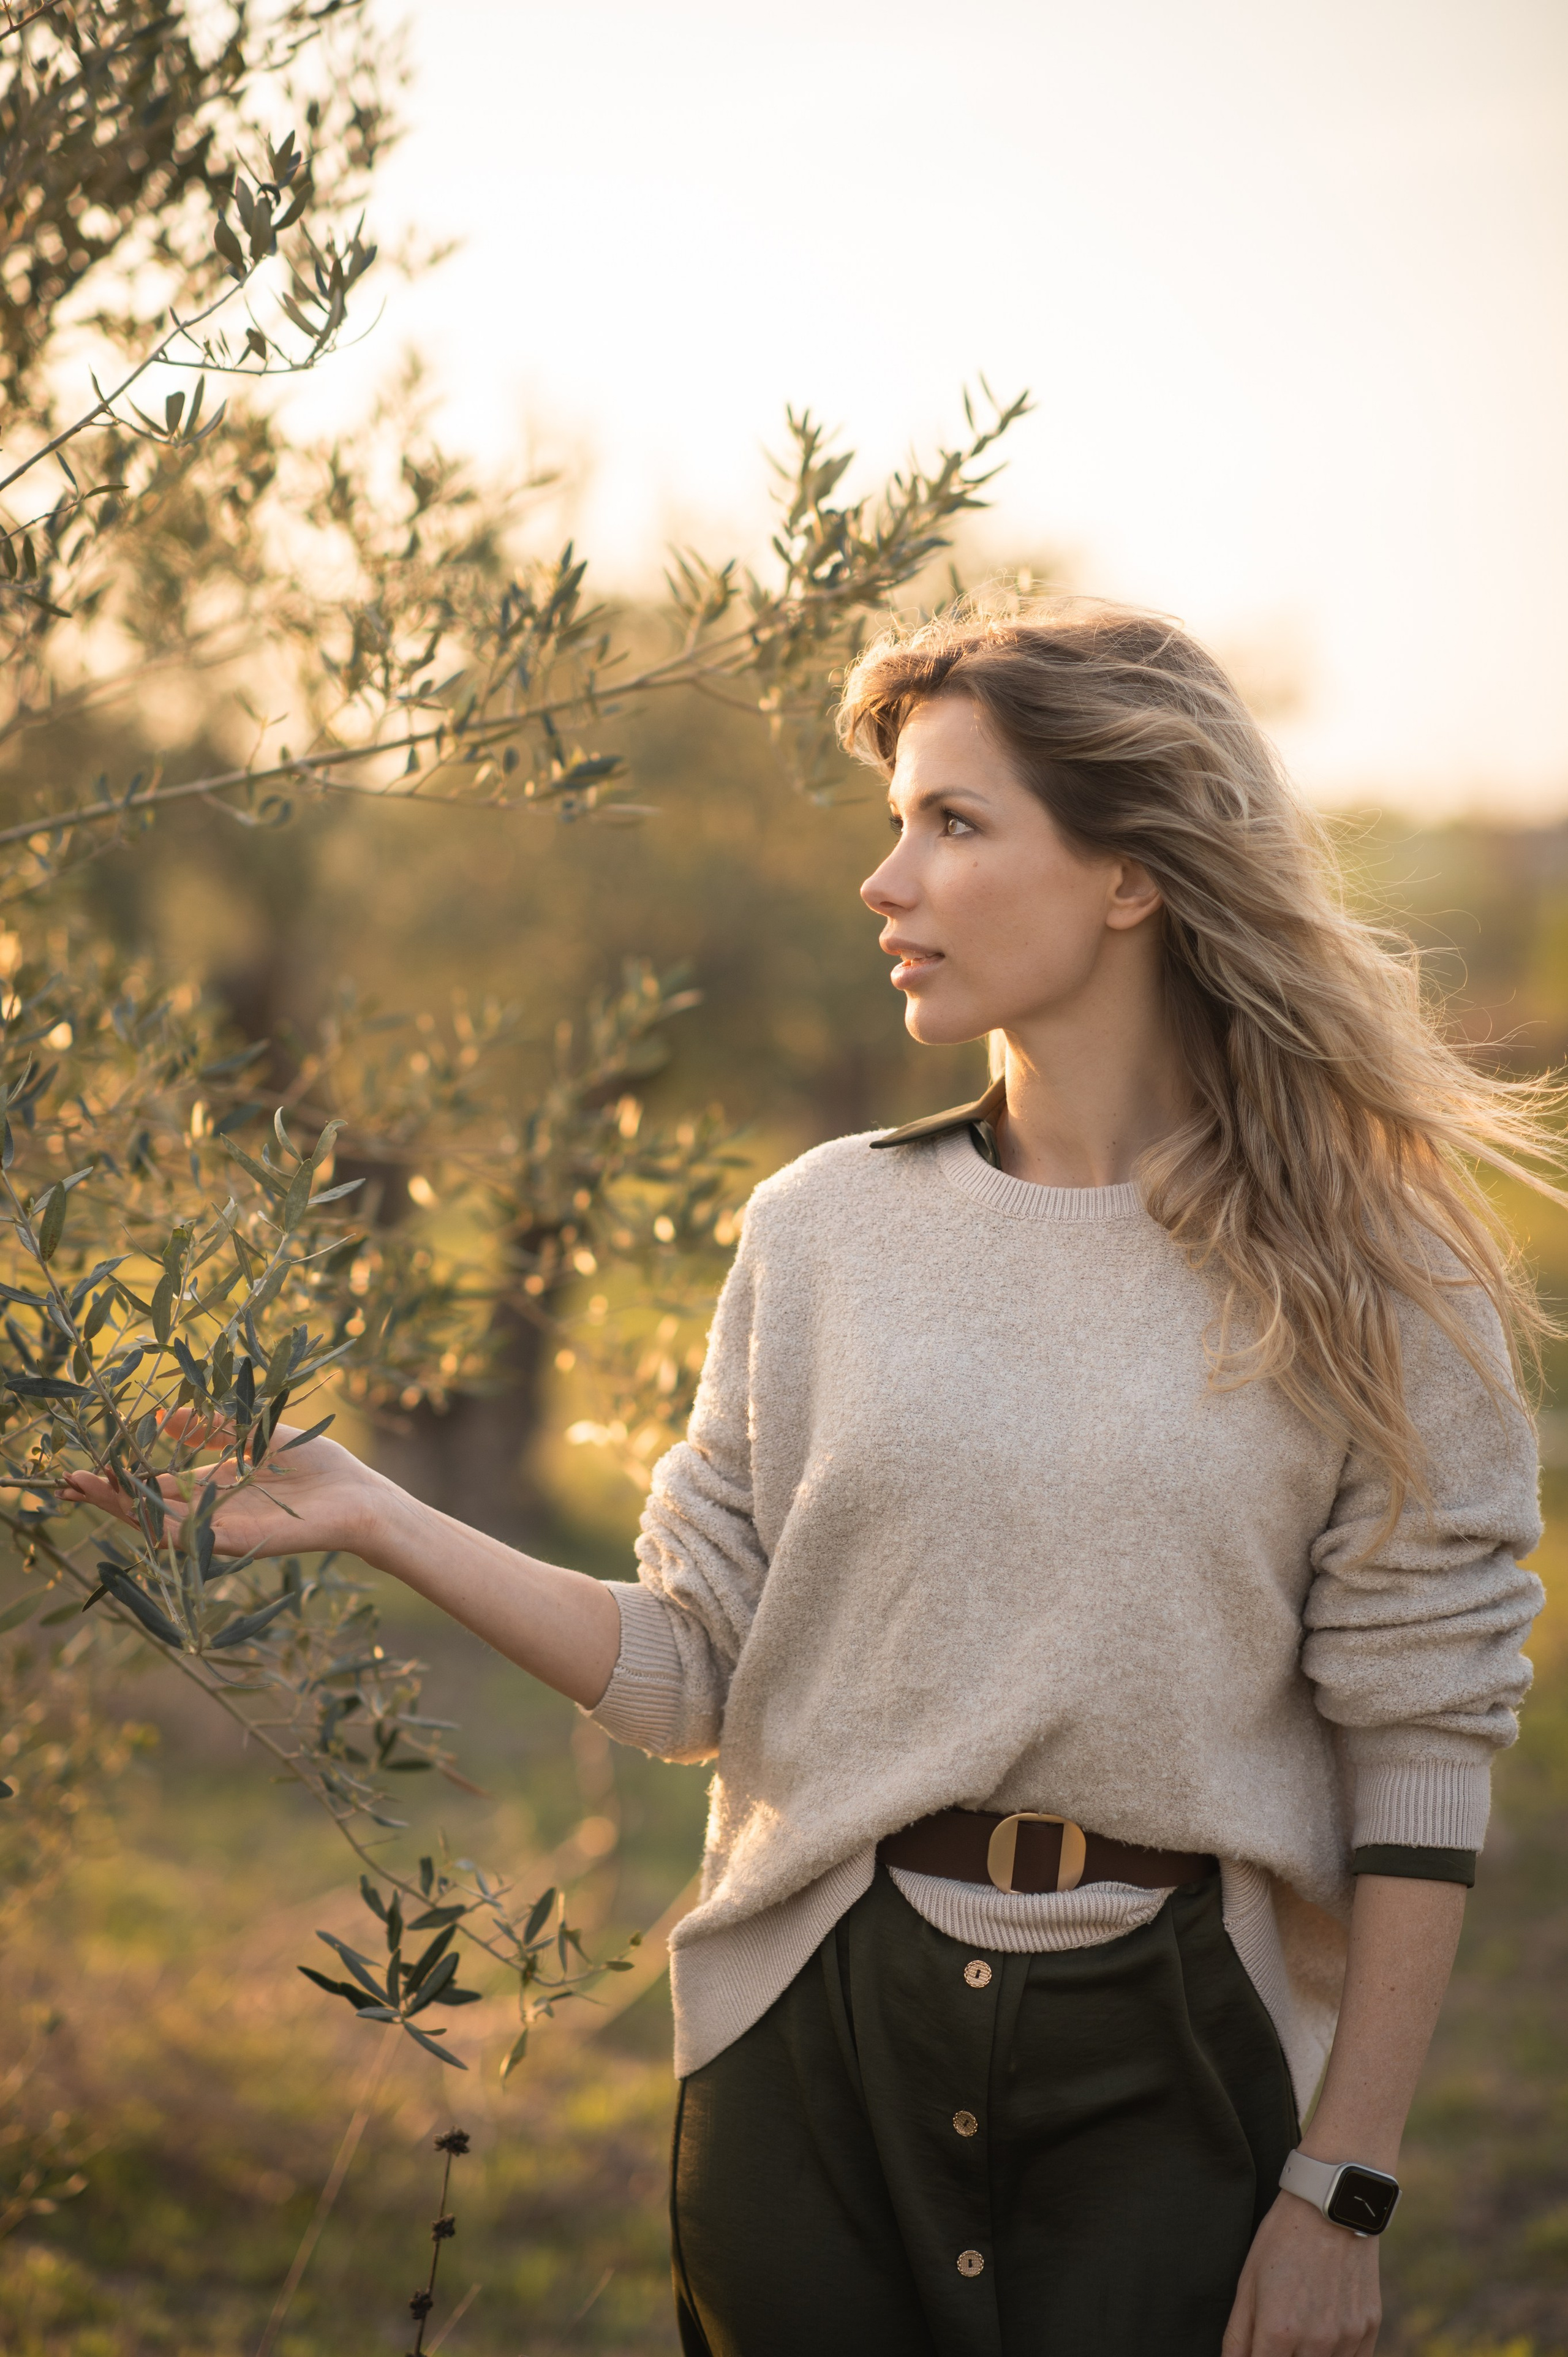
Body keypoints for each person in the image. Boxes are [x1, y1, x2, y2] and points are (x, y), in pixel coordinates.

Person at [70, 604, 1549, 2357]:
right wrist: (380, 1515)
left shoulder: (1376, 1265)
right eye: (896, 822)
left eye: (954, 822)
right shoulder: (823, 1230)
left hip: (1183, 2071)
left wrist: (1343, 2186)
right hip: (813, 2047)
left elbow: (1422, 1748)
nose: (884, 880)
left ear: (1133, 873)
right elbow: (695, 1666)